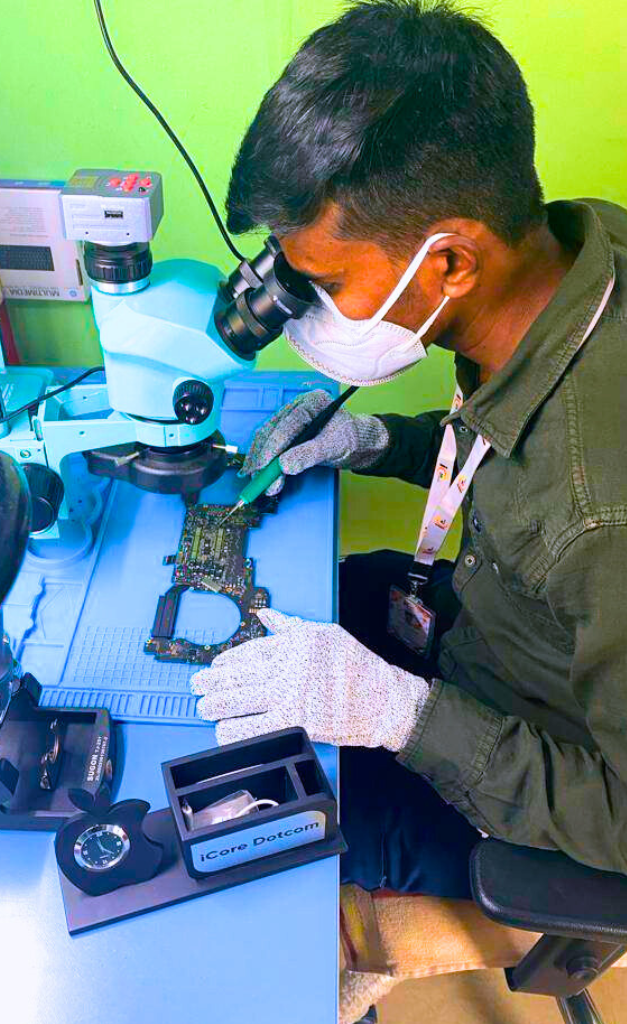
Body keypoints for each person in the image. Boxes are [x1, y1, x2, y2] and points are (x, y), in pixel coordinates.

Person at [191, 0, 627, 909]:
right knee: (278, 608)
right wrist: (379, 439)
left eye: (327, 283)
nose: (307, 313)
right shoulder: (580, 252)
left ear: (450, 265)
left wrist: (399, 715)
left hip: (528, 781)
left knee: (232, 834)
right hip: (483, 616)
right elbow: (515, 454)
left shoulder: (602, 521)